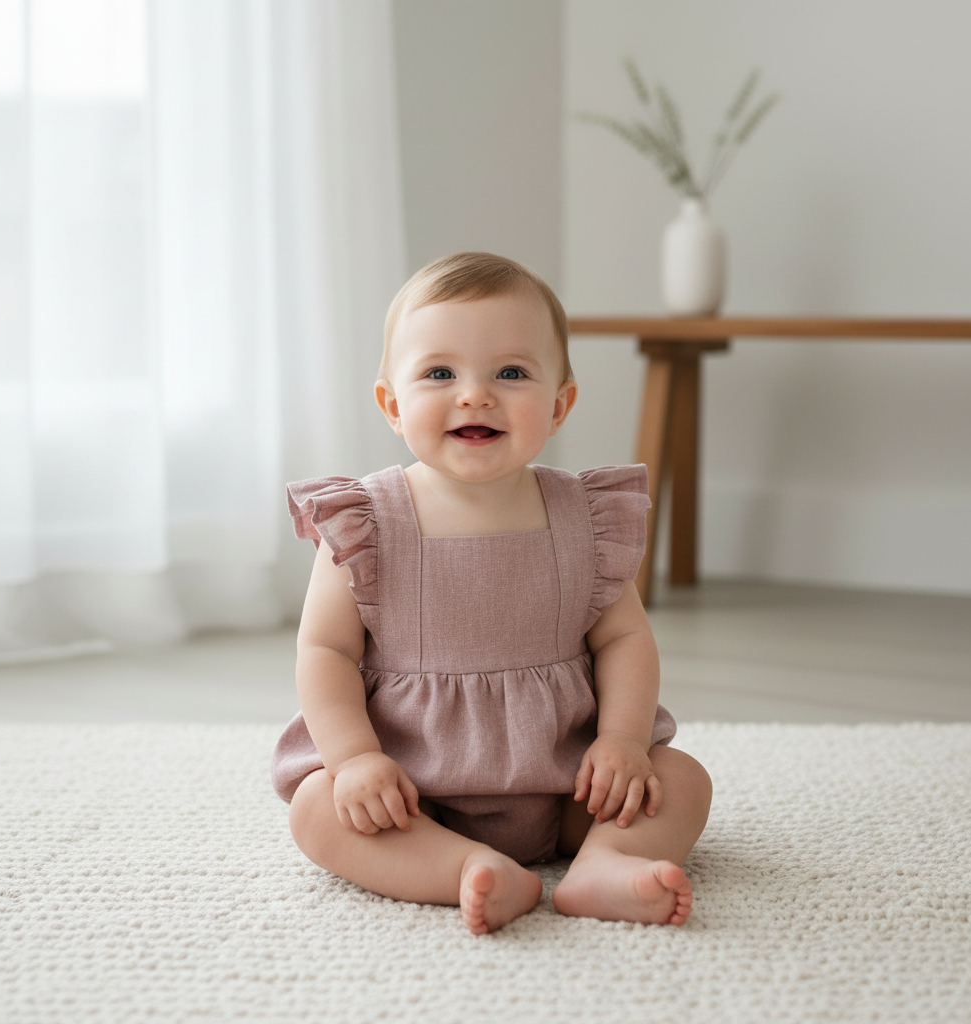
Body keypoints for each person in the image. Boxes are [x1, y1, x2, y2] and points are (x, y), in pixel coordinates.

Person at [271, 252, 712, 935]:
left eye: (511, 373)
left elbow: (625, 637)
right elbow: (324, 649)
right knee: (319, 809)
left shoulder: (584, 516)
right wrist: (356, 758)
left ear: (560, 404)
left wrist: (623, 741)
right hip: (412, 788)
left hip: (567, 779)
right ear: (392, 403)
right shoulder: (366, 521)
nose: (474, 395)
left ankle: (606, 861)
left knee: (679, 779)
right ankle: (461, 868)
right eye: (440, 373)